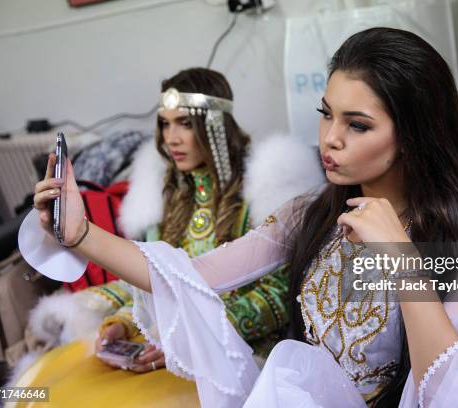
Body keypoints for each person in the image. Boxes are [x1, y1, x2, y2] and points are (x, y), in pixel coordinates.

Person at [31, 28, 458, 407]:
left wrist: (401, 259)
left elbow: (446, 394)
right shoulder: (313, 213)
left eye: (357, 124)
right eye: (327, 115)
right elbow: (191, 275)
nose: (330, 139)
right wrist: (80, 234)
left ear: (414, 134)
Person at [15, 68, 295, 407]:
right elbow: (150, 278)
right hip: (161, 343)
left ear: (215, 125)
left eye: (185, 123)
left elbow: (278, 296)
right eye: (164, 123)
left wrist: (184, 338)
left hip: (236, 352)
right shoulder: (164, 190)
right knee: (48, 388)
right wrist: (123, 321)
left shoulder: (262, 187)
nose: (171, 137)